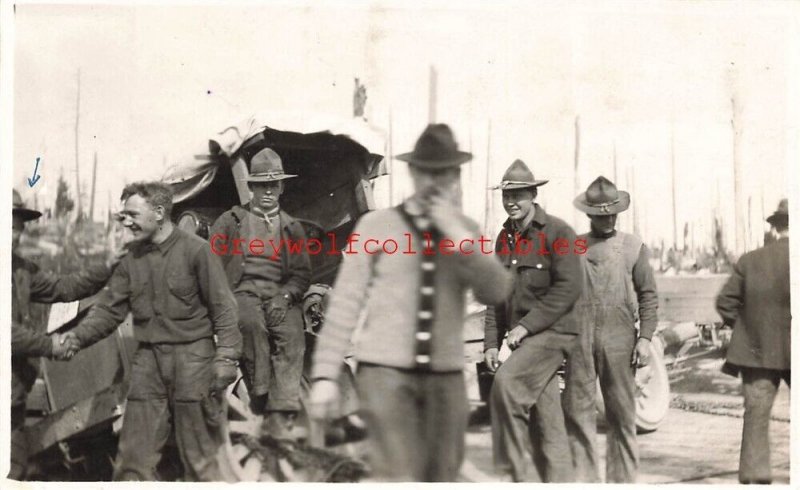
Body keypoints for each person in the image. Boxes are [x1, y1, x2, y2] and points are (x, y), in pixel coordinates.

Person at [308, 124, 512, 481]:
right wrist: (325, 374)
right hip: (385, 378)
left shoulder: (465, 229)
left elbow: (496, 292)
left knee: (442, 475)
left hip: (445, 383)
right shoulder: (376, 226)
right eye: (427, 171)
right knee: (395, 476)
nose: (435, 180)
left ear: (455, 176)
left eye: (444, 171)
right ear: (413, 172)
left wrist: (461, 239)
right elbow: (344, 303)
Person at [64, 181, 242, 481]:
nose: (126, 221)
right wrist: (76, 338)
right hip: (148, 362)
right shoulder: (128, 259)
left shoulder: (196, 251)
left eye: (132, 213)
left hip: (194, 359)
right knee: (133, 459)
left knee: (201, 459)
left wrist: (226, 358)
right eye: (124, 215)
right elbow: (109, 310)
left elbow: (223, 307)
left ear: (159, 213)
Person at [9, 189, 123, 480]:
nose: (14, 234)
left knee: (15, 465)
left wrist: (109, 265)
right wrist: (51, 345)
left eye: (18, 227)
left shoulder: (20, 269)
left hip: (13, 392)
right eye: (8, 225)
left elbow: (65, 287)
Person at [483, 159, 583, 482]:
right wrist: (489, 344)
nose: (511, 203)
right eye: (506, 197)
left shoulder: (557, 232)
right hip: (522, 344)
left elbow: (569, 289)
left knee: (506, 386)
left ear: (532, 195)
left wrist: (526, 326)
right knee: (547, 425)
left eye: (518, 196)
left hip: (553, 336)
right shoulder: (504, 239)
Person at [209, 147, 311, 439]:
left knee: (292, 335)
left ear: (281, 187)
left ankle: (282, 410)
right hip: (242, 292)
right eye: (261, 185)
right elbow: (210, 266)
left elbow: (302, 274)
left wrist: (288, 296)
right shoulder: (231, 222)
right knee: (251, 324)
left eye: (273, 184)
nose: (268, 191)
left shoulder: (292, 227)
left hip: (279, 295)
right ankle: (261, 394)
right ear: (251, 187)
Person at [562, 176, 658, 483]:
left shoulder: (633, 247)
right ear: (589, 214)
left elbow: (648, 295)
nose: (607, 220)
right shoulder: (573, 245)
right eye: (601, 215)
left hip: (620, 340)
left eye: (612, 214)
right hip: (579, 339)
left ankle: (623, 482)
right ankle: (584, 481)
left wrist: (644, 338)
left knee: (622, 416)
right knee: (578, 414)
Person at [716, 198, 790, 484]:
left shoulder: (750, 260)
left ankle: (755, 477)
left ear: (775, 227)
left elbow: (725, 302)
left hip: (757, 351)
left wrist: (747, 326)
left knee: (756, 415)